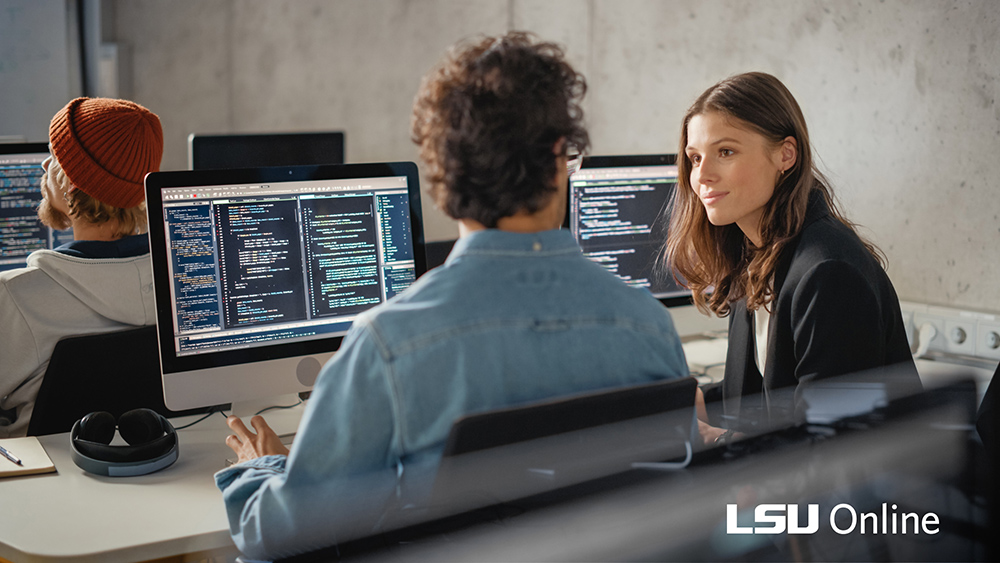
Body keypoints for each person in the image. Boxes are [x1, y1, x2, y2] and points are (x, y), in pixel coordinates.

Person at [215, 31, 690, 561]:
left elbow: (280, 536)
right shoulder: (650, 326)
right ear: (560, 158)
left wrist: (262, 469)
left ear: (443, 174)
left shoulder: (388, 345)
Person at [664, 72, 919, 437]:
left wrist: (710, 437)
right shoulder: (756, 256)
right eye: (694, 157)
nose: (702, 175)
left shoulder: (828, 274)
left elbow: (830, 447)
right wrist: (682, 404)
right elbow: (763, 397)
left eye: (726, 152)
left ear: (786, 154)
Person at [0, 97, 163, 437]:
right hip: (158, 467)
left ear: (73, 183)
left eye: (55, 157)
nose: (46, 166)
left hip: (42, 479)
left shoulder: (15, 296)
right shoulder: (181, 283)